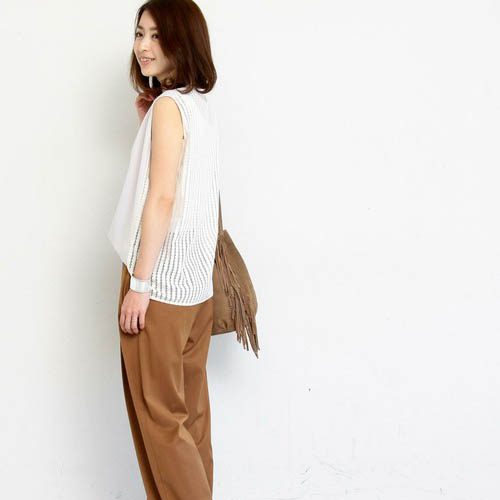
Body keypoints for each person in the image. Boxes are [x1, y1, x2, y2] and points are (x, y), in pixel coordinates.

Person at [107, 1, 219, 498]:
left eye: (157, 35)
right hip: (195, 290)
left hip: (160, 288)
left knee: (161, 422)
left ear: (182, 40)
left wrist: (140, 283)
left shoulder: (170, 109)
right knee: (190, 418)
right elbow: (183, 185)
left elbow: (163, 197)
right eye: (140, 33)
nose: (144, 46)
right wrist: (146, 126)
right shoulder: (195, 105)